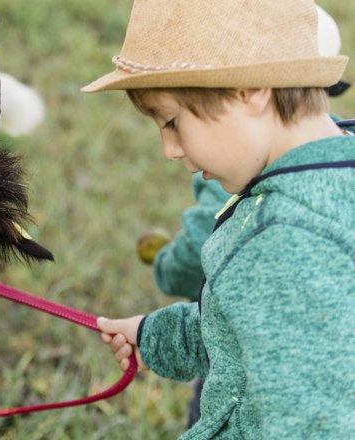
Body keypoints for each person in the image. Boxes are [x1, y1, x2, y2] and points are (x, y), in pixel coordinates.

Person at [82, 0, 355, 438]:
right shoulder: (332, 174)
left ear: (249, 91)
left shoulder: (285, 237)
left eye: (171, 122)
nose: (169, 149)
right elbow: (246, 331)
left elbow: (312, 422)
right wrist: (153, 334)